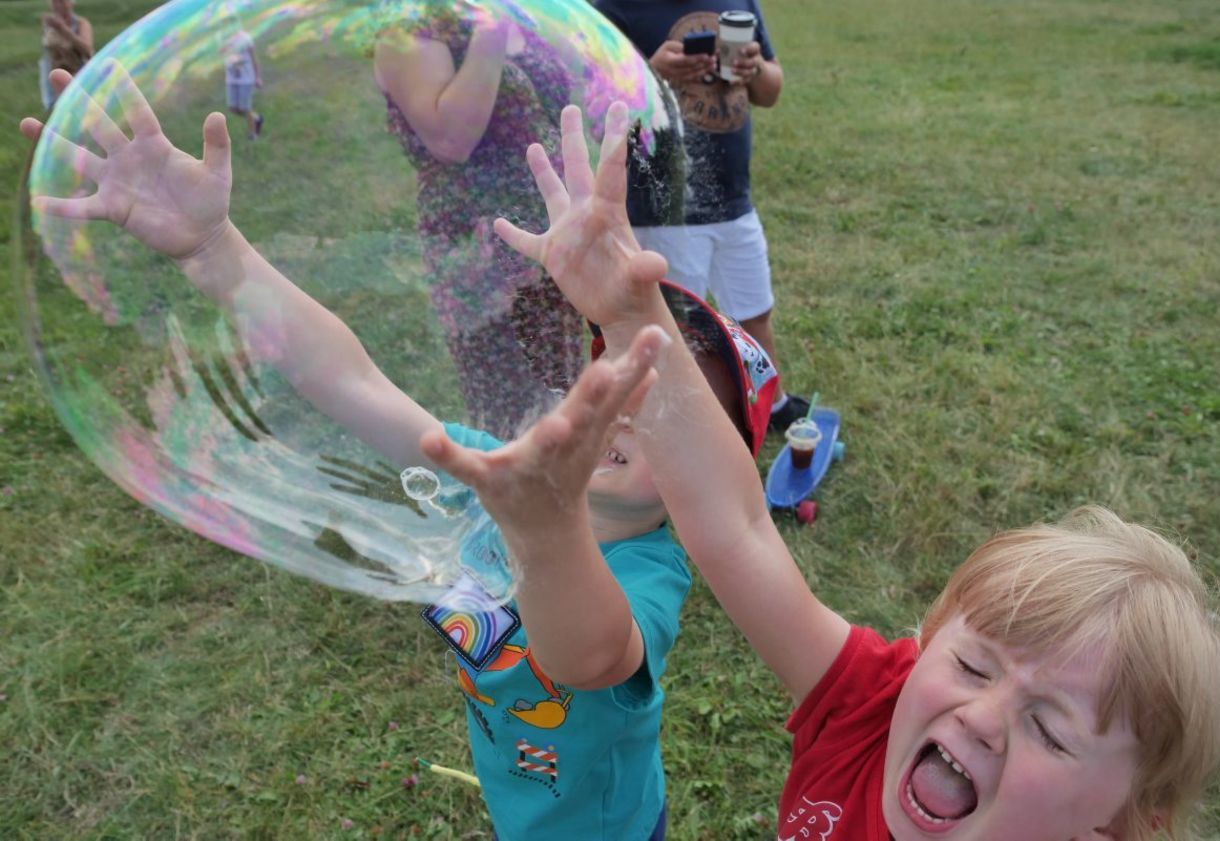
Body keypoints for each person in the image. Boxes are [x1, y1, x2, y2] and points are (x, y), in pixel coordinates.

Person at [20, 73, 778, 840]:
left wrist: (545, 528)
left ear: (701, 480)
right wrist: (217, 250)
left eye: (674, 412)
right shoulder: (496, 476)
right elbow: (349, 380)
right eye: (625, 370)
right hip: (518, 800)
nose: (631, 411)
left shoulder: (649, 568)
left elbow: (592, 654)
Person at [490, 102, 1220, 840]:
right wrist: (630, 319)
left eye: (1051, 731)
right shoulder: (869, 709)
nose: (981, 719)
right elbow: (739, 528)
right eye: (970, 663)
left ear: (1114, 824)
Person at [594, 0, 813, 431]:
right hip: (666, 208)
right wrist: (650, 72)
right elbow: (597, 104)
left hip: (733, 199)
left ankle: (771, 403)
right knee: (678, 330)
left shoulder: (737, 2)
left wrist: (755, 70)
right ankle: (681, 423)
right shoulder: (615, 8)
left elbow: (771, 90)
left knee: (754, 311)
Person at [373, 9, 585, 440]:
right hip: (483, 253)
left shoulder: (520, 15)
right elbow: (451, 139)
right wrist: (493, 24)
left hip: (552, 235)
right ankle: (520, 505)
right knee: (516, 418)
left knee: (565, 392)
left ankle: (574, 500)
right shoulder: (412, 30)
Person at [38, 0, 93, 111]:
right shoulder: (49, 25)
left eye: (61, 2)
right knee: (56, 112)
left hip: (77, 76)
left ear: (72, 3)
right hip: (53, 77)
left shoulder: (81, 24)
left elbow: (88, 51)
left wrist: (63, 29)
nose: (57, 5)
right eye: (54, 2)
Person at [221, 24, 263, 140]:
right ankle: (256, 118)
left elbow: (254, 59)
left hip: (246, 78)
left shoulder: (245, 38)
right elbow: (222, 53)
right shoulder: (223, 38)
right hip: (231, 79)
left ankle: (253, 134)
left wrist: (258, 77)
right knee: (233, 108)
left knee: (245, 107)